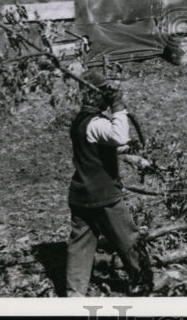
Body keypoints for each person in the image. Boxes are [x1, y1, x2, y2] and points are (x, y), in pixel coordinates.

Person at [65, 69, 153, 296]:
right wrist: (118, 107)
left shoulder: (81, 123)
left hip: (80, 196)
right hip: (104, 197)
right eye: (105, 93)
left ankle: (74, 295)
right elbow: (119, 136)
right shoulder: (95, 123)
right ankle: (142, 283)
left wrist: (131, 156)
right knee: (129, 239)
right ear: (95, 95)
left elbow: (105, 147)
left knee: (79, 247)